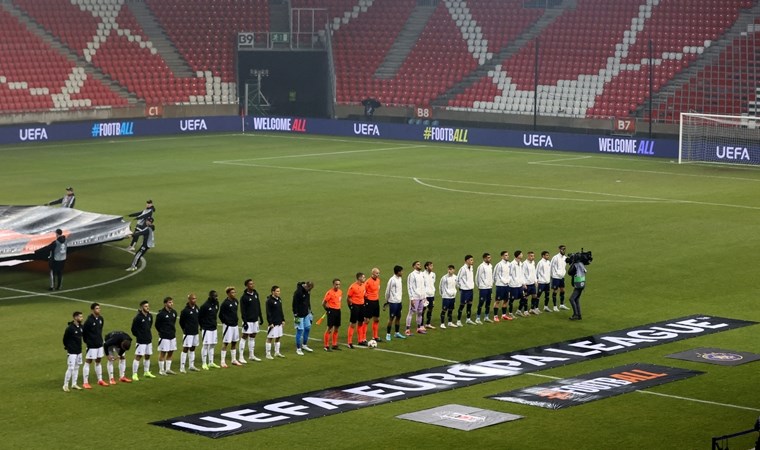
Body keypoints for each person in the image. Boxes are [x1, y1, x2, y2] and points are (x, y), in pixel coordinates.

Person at [82, 302, 107, 389]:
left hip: (99, 344)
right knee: (88, 361)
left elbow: (100, 330)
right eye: (97, 308)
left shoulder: (101, 319)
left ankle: (100, 379)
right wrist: (88, 342)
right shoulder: (89, 321)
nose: (99, 310)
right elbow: (84, 333)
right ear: (92, 310)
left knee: (98, 361)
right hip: (91, 345)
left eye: (99, 308)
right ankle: (85, 382)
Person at [130, 300, 155, 381]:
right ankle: (134, 374)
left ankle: (146, 372)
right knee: (138, 356)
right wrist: (139, 336)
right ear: (141, 307)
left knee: (148, 356)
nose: (147, 308)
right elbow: (133, 329)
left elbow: (149, 326)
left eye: (148, 306)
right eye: (145, 306)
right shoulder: (137, 318)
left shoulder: (150, 316)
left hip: (148, 339)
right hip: (141, 341)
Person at [240, 279, 263, 362]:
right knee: (244, 337)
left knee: (253, 336)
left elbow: (258, 305)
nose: (252, 285)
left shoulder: (256, 294)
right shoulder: (244, 297)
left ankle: (251, 355)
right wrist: (245, 322)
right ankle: (241, 357)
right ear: (247, 286)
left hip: (255, 320)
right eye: (250, 284)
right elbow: (243, 310)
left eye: (253, 284)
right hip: (248, 320)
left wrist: (260, 316)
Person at [219, 287, 242, 367]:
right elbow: (220, 315)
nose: (234, 294)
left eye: (235, 292)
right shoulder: (225, 303)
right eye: (232, 292)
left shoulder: (236, 301)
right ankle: (222, 361)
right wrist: (226, 322)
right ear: (228, 294)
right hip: (228, 326)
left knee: (234, 342)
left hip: (235, 325)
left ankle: (234, 360)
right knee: (225, 343)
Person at [198, 290, 221, 370]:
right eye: (215, 296)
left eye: (216, 296)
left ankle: (211, 362)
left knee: (212, 345)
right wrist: (202, 326)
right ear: (210, 296)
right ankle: (204, 363)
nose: (216, 298)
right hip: (206, 328)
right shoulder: (205, 306)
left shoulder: (216, 304)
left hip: (213, 327)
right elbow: (200, 317)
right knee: (205, 345)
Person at [155, 296, 178, 375]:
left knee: (171, 352)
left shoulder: (174, 312)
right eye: (169, 302)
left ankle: (168, 369)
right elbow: (157, 325)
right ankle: (161, 370)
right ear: (165, 304)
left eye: (172, 302)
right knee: (163, 353)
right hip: (164, 336)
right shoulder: (161, 314)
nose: (171, 304)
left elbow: (173, 323)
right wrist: (162, 332)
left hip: (172, 335)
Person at [62, 311, 84, 392]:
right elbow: (65, 339)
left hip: (79, 351)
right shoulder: (70, 328)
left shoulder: (81, 327)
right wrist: (68, 347)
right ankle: (65, 385)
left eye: (82, 317)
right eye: (80, 317)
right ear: (75, 317)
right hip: (72, 351)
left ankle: (74, 384)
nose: (82, 318)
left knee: (77, 367)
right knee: (71, 368)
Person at [179, 293, 200, 373]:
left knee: (193, 348)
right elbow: (181, 322)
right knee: (185, 349)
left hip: (195, 332)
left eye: (195, 298)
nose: (194, 300)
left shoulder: (197, 308)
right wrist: (185, 329)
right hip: (188, 333)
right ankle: (182, 367)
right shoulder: (185, 310)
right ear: (189, 300)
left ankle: (191, 365)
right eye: (193, 299)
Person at [292, 280, 315, 355]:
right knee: (300, 330)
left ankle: (304, 345)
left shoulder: (307, 291)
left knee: (308, 328)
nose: (310, 290)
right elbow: (294, 304)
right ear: (306, 286)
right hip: (298, 315)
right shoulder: (298, 292)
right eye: (309, 289)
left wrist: (310, 311)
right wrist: (295, 315)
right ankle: (298, 349)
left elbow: (308, 302)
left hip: (306, 314)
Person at [384, 265, 405, 341]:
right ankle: (388, 334)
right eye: (401, 271)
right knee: (391, 318)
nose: (402, 272)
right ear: (398, 272)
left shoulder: (400, 279)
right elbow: (387, 291)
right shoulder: (392, 280)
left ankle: (397, 333)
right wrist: (387, 301)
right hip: (393, 302)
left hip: (399, 302)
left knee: (398, 317)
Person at [406, 261, 427, 335]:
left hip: (421, 297)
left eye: (420, 264)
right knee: (411, 313)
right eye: (418, 264)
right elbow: (409, 287)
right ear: (414, 266)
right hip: (415, 297)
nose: (419, 265)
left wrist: (425, 296)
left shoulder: (422, 274)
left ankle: (419, 328)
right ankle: (407, 330)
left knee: (420, 313)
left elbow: (424, 285)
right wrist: (411, 298)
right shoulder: (411, 275)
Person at [347, 272, 366, 348]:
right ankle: (349, 342)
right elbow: (348, 298)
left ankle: (360, 340)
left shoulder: (363, 285)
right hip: (355, 306)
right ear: (359, 278)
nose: (364, 278)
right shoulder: (353, 287)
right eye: (363, 277)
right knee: (353, 324)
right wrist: (351, 307)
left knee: (361, 322)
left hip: (362, 305)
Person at [265, 285, 285, 359]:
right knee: (270, 338)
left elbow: (281, 310)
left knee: (278, 337)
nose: (279, 292)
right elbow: (268, 312)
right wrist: (270, 323)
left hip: (279, 321)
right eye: (277, 291)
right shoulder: (269, 301)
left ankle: (277, 352)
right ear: (273, 292)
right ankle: (268, 354)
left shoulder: (279, 299)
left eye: (279, 291)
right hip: (273, 323)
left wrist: (283, 320)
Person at [322, 278, 343, 351]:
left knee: (336, 328)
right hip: (331, 311)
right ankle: (326, 346)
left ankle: (334, 344)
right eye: (336, 284)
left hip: (338, 311)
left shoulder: (340, 292)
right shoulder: (329, 293)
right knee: (329, 328)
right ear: (333, 284)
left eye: (339, 284)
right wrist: (328, 310)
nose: (338, 286)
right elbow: (323, 303)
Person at [493, 251, 513, 322]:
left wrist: (508, 281)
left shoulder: (510, 264)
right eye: (505, 255)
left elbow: (511, 274)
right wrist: (503, 281)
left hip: (507, 285)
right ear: (502, 256)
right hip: (500, 285)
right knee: (497, 301)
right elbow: (496, 275)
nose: (507, 256)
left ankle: (504, 315)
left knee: (506, 300)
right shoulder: (499, 265)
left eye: (508, 255)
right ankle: (495, 316)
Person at [363, 268, 382, 342]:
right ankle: (364, 338)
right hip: (369, 302)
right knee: (367, 320)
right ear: (373, 273)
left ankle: (375, 336)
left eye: (379, 273)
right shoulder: (367, 282)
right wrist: (366, 298)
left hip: (376, 301)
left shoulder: (378, 280)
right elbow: (363, 292)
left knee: (376, 319)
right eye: (377, 273)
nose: (378, 274)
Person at [456, 255, 475, 326]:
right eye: (471, 260)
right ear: (467, 261)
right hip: (464, 290)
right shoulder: (463, 269)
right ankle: (458, 321)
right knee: (462, 305)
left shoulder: (471, 267)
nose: (472, 261)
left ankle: (468, 319)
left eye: (472, 260)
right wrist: (460, 288)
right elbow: (457, 279)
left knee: (470, 305)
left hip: (470, 289)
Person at [567, 255, 588, 320]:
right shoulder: (581, 264)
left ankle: (575, 314)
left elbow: (570, 272)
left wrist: (572, 263)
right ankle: (579, 315)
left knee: (571, 299)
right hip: (582, 283)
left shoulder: (576, 265)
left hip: (578, 284)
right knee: (576, 299)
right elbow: (585, 271)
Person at [508, 251, 528, 317]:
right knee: (511, 300)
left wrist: (523, 283)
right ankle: (510, 313)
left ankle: (518, 311)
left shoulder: (521, 263)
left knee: (524, 298)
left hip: (520, 285)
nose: (522, 255)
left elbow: (522, 274)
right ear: (518, 255)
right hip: (513, 286)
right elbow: (509, 274)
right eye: (521, 254)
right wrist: (512, 282)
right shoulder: (512, 264)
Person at [550, 245, 570, 311]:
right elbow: (551, 267)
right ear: (559, 250)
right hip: (555, 277)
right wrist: (552, 276)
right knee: (555, 291)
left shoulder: (565, 258)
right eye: (562, 249)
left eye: (564, 249)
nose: (563, 250)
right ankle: (555, 306)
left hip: (562, 277)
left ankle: (561, 305)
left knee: (562, 290)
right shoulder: (555, 257)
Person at [475, 252, 494, 324]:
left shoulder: (490, 266)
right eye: (488, 258)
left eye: (490, 257)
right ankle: (478, 318)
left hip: (489, 287)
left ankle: (486, 317)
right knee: (481, 303)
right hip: (483, 288)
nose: (490, 259)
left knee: (488, 302)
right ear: (484, 258)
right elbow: (477, 277)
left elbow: (491, 276)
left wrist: (491, 284)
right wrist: (479, 286)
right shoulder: (481, 266)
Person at [422, 262, 436, 329]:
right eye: (430, 266)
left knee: (430, 309)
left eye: (432, 266)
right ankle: (421, 325)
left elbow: (433, 283)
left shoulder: (433, 274)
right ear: (426, 267)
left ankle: (428, 323)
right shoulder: (422, 274)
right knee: (423, 310)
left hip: (431, 295)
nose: (432, 267)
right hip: (425, 295)